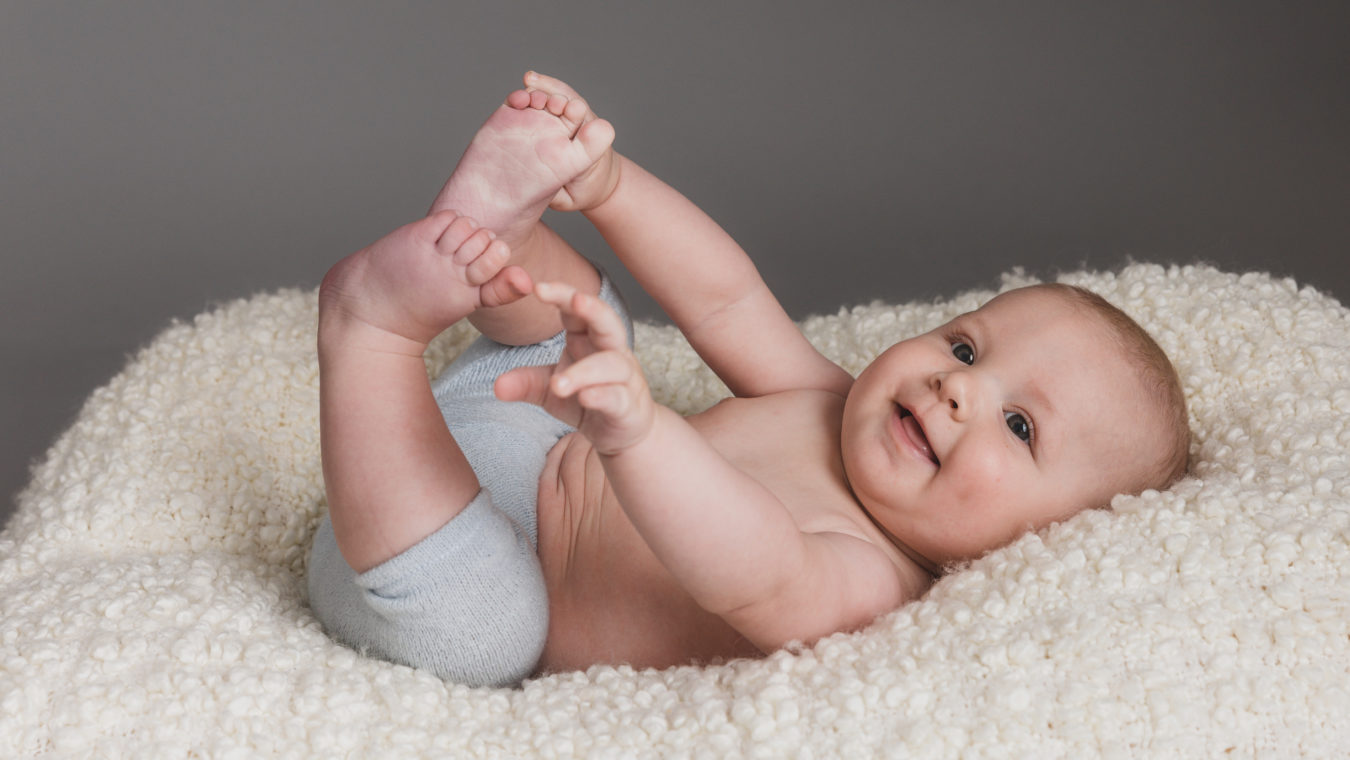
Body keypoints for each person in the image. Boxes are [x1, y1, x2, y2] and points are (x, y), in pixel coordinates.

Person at [307, 72, 1190, 688]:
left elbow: (755, 571)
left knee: (485, 638)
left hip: (428, 558)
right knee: (585, 322)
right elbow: (725, 301)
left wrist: (642, 435)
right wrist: (610, 185)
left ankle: (370, 332)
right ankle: (490, 230)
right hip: (524, 432)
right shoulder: (831, 400)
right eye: (966, 349)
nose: (961, 389)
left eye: (1022, 427)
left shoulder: (873, 582)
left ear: (1050, 543)